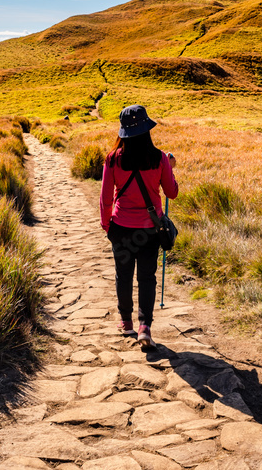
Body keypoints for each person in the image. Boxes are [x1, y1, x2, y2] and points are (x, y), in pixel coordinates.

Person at [99, 104, 178, 348]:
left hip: (121, 227)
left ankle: (127, 323)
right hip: (150, 230)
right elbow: (172, 193)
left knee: (123, 277)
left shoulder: (113, 160)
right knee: (147, 277)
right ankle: (145, 327)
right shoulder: (160, 158)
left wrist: (107, 227)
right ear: (147, 130)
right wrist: (170, 169)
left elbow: (105, 199)